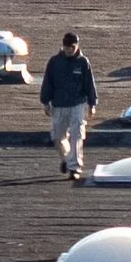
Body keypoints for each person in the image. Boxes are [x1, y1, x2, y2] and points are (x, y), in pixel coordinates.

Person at [38, 31, 99, 180]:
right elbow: (48, 82)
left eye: (71, 47)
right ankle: (66, 158)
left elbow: (89, 84)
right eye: (66, 47)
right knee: (58, 136)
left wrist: (92, 103)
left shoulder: (83, 62)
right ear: (63, 46)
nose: (69, 50)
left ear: (76, 46)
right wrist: (45, 101)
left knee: (77, 134)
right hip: (58, 104)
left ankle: (74, 167)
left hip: (77, 104)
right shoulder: (54, 62)